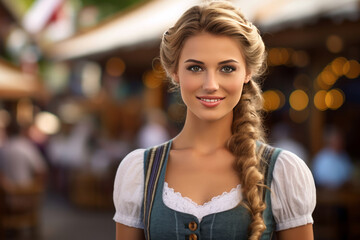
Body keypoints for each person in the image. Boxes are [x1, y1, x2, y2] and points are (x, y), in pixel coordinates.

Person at [113, 1, 316, 239]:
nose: (211, 85)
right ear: (175, 72)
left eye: (227, 68)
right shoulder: (140, 170)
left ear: (247, 73)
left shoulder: (283, 172)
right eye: (196, 68)